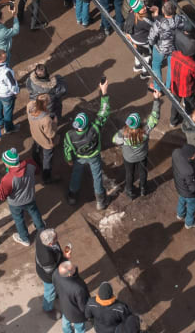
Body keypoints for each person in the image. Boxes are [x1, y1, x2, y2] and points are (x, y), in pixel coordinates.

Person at [64, 80, 111, 209]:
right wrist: (104, 92)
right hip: (94, 155)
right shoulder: (94, 128)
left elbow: (67, 149)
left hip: (79, 157)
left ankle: (72, 196)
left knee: (76, 173)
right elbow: (104, 112)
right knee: (97, 176)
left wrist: (69, 159)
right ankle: (100, 201)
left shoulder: (69, 135)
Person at [0, 146, 46, 245]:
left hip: (16, 204)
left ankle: (25, 239)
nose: (4, 163)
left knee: (19, 220)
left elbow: (2, 196)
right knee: (34, 212)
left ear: (8, 164)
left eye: (5, 162)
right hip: (30, 197)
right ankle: (41, 229)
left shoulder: (8, 179)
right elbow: (36, 171)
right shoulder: (30, 164)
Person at [112, 96, 161, 198]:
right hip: (142, 156)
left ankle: (129, 191)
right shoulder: (145, 130)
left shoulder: (123, 133)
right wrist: (156, 100)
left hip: (128, 158)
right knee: (143, 172)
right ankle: (143, 189)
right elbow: (154, 118)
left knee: (129, 174)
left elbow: (115, 140)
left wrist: (122, 143)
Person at [56, 258, 91, 333]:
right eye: (73, 268)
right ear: (69, 275)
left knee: (66, 321)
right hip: (77, 314)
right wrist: (87, 314)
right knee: (79, 327)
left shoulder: (57, 275)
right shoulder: (78, 288)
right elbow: (82, 305)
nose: (75, 266)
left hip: (65, 307)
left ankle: (66, 331)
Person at [36, 228, 64, 313]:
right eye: (56, 238)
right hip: (48, 277)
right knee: (50, 291)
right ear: (51, 244)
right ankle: (47, 308)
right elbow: (52, 274)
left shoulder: (40, 234)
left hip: (44, 268)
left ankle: (56, 292)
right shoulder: (47, 259)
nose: (58, 238)